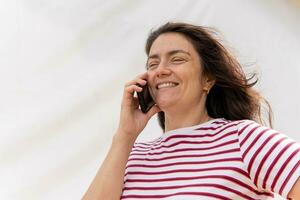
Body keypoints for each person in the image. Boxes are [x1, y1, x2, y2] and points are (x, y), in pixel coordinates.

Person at [82, 22, 300, 200]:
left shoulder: (243, 138)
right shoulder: (133, 156)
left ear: (207, 79)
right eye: (152, 64)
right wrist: (125, 135)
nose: (161, 70)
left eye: (177, 59)